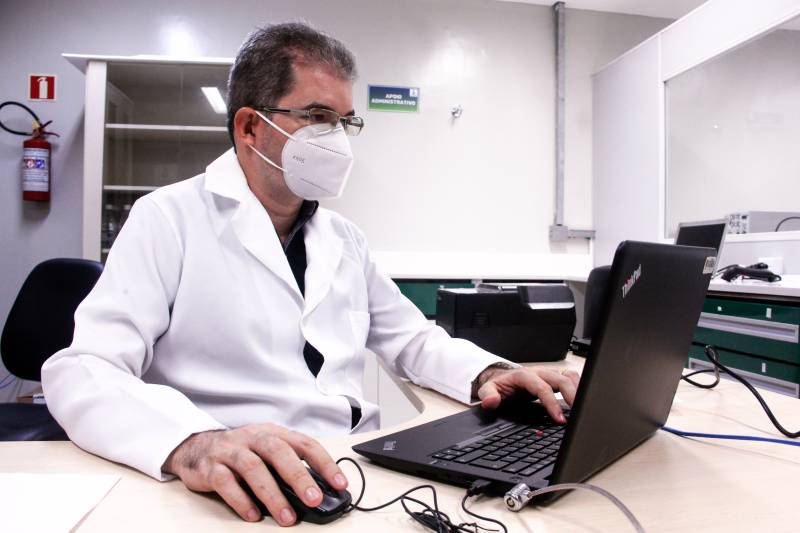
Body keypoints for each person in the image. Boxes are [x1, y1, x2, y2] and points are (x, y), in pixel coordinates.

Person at [41, 22, 580, 527]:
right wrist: (193, 444)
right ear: (250, 127)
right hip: (236, 486)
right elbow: (85, 368)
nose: (337, 138)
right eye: (318, 116)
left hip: (349, 470)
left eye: (345, 121)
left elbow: (411, 339)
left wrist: (489, 373)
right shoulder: (168, 219)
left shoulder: (343, 238)